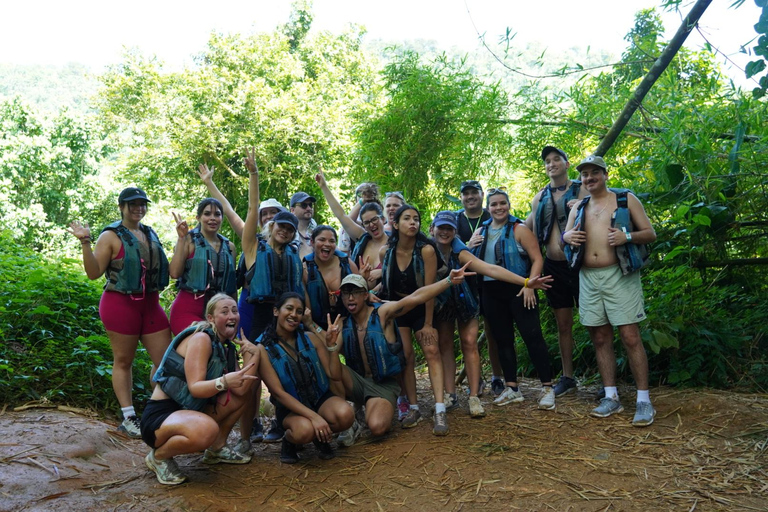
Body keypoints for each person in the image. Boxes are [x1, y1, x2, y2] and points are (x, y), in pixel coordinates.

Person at [68, 187, 172, 439]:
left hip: (150, 304)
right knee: (124, 361)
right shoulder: (110, 236)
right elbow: (93, 273)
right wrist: (85, 242)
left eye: (142, 203)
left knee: (167, 363)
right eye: (133, 204)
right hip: (120, 304)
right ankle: (129, 417)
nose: (138, 208)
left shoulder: (149, 233)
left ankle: (157, 411)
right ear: (122, 207)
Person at [562, 155, 657, 427]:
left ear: (605, 174)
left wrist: (626, 236)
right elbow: (565, 236)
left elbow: (650, 233)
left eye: (594, 173)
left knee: (629, 335)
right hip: (588, 277)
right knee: (600, 336)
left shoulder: (626, 199)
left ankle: (643, 400)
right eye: (585, 175)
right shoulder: (578, 207)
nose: (589, 178)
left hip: (620, 274)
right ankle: (611, 396)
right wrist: (567, 237)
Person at [335, 265, 478, 445]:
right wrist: (317, 331)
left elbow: (415, 298)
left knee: (377, 427)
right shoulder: (340, 323)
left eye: (355, 292)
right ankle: (350, 421)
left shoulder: (382, 314)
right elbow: (330, 361)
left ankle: (371, 410)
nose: (350, 297)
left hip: (381, 385)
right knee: (330, 365)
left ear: (365, 295)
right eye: (346, 293)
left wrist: (448, 281)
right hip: (357, 381)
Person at [197, 156, 286, 445]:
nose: (271, 219)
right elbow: (244, 209)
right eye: (266, 215)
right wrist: (253, 174)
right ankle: (246, 438)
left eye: (277, 215)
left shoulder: (293, 253)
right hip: (252, 315)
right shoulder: (251, 244)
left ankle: (283, 423)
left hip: (279, 318)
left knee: (281, 372)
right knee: (249, 378)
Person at [431, 211, 554, 418]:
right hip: (440, 299)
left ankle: (474, 397)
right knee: (445, 344)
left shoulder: (460, 251)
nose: (444, 232)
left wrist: (525, 282)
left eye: (449, 228)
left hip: (465, 298)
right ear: (432, 229)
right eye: (440, 228)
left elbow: (490, 268)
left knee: (469, 342)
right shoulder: (427, 249)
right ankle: (450, 394)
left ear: (455, 231)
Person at [141, 293, 259, 485]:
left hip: (188, 414)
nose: (232, 315)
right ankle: (159, 456)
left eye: (235, 311)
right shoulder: (202, 338)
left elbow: (242, 390)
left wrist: (254, 354)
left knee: (240, 397)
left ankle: (217, 448)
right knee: (206, 430)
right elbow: (195, 388)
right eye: (225, 311)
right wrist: (224, 381)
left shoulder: (226, 347)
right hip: (159, 419)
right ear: (211, 318)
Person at [472, 189, 557, 410]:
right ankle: (512, 387)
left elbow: (537, 258)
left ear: (508, 205)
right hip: (491, 291)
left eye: (502, 203)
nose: (499, 208)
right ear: (488, 208)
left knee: (533, 337)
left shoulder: (519, 228)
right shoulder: (482, 230)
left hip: (520, 288)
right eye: (494, 205)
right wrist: (469, 242)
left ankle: (547, 387)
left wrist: (529, 283)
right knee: (502, 340)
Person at [254, 293, 354, 463]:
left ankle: (320, 437)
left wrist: (331, 347)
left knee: (345, 415)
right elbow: (278, 393)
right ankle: (289, 440)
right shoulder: (263, 349)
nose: (294, 314)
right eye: (289, 308)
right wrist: (314, 417)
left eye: (299, 311)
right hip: (291, 408)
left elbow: (334, 375)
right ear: (276, 311)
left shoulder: (311, 338)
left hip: (318, 398)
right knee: (304, 431)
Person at [525, 146, 588, 397]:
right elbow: (527, 228)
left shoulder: (582, 189)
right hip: (552, 266)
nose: (551, 164)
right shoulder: (539, 197)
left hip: (580, 265)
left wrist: (583, 204)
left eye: (556, 160)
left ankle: (608, 383)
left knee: (595, 322)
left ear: (567, 163)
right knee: (563, 324)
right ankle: (568, 376)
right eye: (547, 161)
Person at [378, 205, 447, 434]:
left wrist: (428, 324)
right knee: (405, 357)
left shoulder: (426, 250)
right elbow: (385, 285)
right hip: (398, 309)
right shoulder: (385, 252)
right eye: (406, 219)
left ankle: (439, 410)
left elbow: (429, 290)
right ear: (395, 224)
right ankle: (413, 407)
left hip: (421, 308)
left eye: (416, 219)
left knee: (431, 350)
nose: (413, 223)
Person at [458, 181, 504, 397]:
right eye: (465, 194)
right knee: (467, 336)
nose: (470, 197)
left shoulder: (492, 213)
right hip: (465, 285)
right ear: (461, 197)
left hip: (490, 282)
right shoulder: (456, 219)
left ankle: (497, 377)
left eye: (474, 192)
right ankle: (476, 380)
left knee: (493, 331)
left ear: (481, 194)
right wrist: (468, 244)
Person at [168, 198, 237, 335]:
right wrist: (181, 239)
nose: (212, 218)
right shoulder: (188, 240)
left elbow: (231, 286)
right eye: (207, 214)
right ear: (198, 217)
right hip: (187, 309)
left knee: (215, 353)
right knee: (201, 344)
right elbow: (174, 273)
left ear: (222, 218)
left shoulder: (230, 248)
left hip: (218, 313)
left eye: (217, 214)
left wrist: (234, 314)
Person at [315, 170, 389, 284]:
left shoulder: (395, 241)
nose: (372, 225)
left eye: (374, 219)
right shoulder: (362, 237)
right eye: (367, 222)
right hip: (361, 298)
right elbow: (341, 215)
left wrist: (384, 271)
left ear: (383, 219)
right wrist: (324, 187)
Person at [303, 225, 358, 330]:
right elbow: (307, 312)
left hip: (348, 324)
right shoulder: (304, 270)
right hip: (318, 327)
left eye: (332, 241)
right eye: (322, 240)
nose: (327, 244)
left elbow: (361, 294)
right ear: (312, 242)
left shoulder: (347, 264)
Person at [290, 191, 318, 259]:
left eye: (310, 205)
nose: (308, 208)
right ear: (292, 210)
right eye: (303, 205)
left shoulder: (318, 231)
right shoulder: (286, 232)